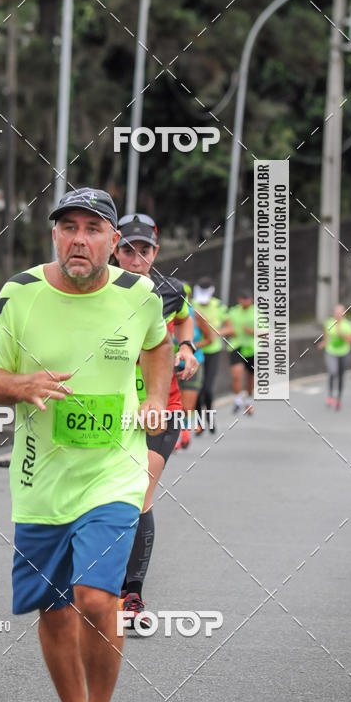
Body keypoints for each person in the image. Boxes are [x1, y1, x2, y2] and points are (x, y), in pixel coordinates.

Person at [0, 188, 174, 702]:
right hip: (41, 477)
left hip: (114, 472)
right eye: (69, 228)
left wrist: (156, 399)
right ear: (55, 236)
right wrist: (25, 383)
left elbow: (159, 345)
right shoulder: (21, 293)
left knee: (94, 596)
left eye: (93, 228)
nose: (79, 239)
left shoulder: (140, 293)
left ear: (114, 241)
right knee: (54, 606)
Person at [112, 214, 199, 626]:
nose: (136, 258)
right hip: (111, 414)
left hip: (162, 410)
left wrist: (186, 348)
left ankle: (131, 596)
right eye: (128, 249)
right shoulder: (95, 290)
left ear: (155, 253)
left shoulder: (169, 289)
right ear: (115, 248)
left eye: (144, 250)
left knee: (138, 493)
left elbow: (184, 316)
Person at [177, 285, 213, 438]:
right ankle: (175, 436)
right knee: (171, 405)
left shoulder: (196, 314)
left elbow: (210, 339)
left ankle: (184, 434)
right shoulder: (167, 314)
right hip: (172, 364)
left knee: (186, 406)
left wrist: (189, 347)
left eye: (184, 295)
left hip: (194, 363)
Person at [193, 277, 228, 433]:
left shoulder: (218, 306)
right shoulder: (191, 305)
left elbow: (230, 328)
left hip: (213, 351)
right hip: (196, 351)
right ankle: (200, 423)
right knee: (197, 390)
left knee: (208, 389)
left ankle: (211, 420)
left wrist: (216, 333)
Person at [222, 291, 256, 415]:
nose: (245, 302)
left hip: (252, 348)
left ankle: (248, 400)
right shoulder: (233, 312)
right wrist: (229, 332)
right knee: (236, 375)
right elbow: (227, 327)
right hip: (236, 347)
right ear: (239, 300)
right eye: (243, 299)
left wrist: (251, 331)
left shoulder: (257, 313)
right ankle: (237, 401)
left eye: (247, 299)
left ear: (251, 300)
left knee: (250, 377)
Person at [317, 304, 351, 409]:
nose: (338, 315)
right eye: (336, 313)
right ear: (333, 314)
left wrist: (341, 333)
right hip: (331, 352)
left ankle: (338, 398)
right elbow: (326, 336)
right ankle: (330, 396)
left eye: (340, 313)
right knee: (333, 372)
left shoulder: (348, 325)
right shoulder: (329, 323)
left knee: (341, 375)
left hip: (344, 352)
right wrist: (323, 343)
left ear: (344, 314)